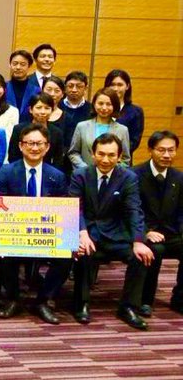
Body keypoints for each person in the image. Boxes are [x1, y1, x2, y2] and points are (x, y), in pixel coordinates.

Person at [70, 134, 153, 329]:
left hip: (117, 234)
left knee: (140, 256)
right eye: (101, 154)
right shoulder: (80, 175)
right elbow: (75, 208)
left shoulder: (128, 177)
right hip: (89, 233)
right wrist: (82, 233)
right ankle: (81, 304)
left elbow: (134, 210)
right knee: (83, 252)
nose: (106, 160)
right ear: (93, 154)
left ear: (120, 156)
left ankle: (128, 307)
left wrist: (138, 241)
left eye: (111, 155)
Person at [0, 123, 72, 324]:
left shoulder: (57, 176)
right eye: (30, 143)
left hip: (46, 234)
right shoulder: (6, 172)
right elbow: (0, 208)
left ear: (47, 147)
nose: (34, 148)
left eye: (39, 144)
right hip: (15, 234)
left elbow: (63, 211)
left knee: (67, 254)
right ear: (21, 146)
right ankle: (13, 298)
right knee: (4, 252)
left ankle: (43, 300)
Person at [135, 130, 183, 315]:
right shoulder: (135, 175)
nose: (166, 155)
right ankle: (145, 300)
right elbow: (131, 210)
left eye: (171, 150)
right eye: (161, 150)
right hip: (144, 232)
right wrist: (145, 231)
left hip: (171, 232)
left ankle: (179, 298)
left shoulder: (179, 178)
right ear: (150, 150)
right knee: (156, 250)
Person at [68, 88, 131, 170]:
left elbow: (125, 160)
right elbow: (73, 153)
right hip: (86, 174)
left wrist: (110, 170)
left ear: (114, 106)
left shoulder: (122, 130)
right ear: (94, 104)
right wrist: (86, 169)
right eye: (100, 103)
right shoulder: (82, 126)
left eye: (109, 104)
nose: (104, 108)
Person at [9, 93, 67, 173]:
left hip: (47, 173)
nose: (43, 112)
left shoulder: (57, 132)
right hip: (21, 172)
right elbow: (13, 156)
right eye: (39, 108)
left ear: (52, 110)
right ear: (30, 109)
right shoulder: (18, 129)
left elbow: (58, 160)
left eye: (47, 108)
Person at [104, 69, 144, 157]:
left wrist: (114, 154)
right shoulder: (99, 108)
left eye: (120, 85)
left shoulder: (135, 111)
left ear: (127, 86)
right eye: (112, 85)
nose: (115, 89)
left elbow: (134, 141)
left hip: (122, 159)